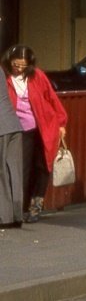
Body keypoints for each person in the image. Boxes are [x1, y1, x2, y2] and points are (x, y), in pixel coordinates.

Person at [3, 45, 68, 224]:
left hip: (43, 127)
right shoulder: (4, 77)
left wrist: (61, 123)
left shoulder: (37, 76)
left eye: (23, 66)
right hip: (17, 130)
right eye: (16, 65)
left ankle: (35, 206)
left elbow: (51, 98)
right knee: (20, 169)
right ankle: (19, 208)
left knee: (42, 166)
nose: (19, 69)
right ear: (9, 61)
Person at [0, 63, 23, 228]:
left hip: (1, 127)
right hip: (13, 124)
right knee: (14, 170)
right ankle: (17, 215)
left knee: (1, 172)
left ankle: (4, 217)